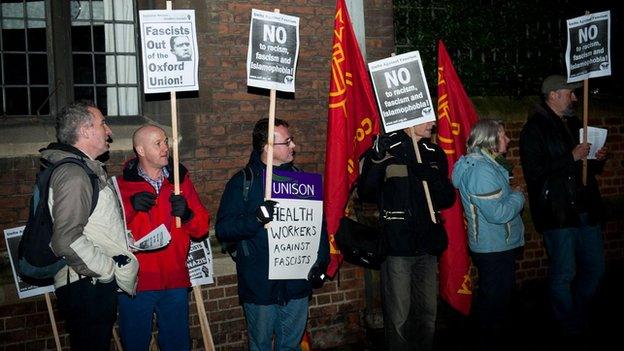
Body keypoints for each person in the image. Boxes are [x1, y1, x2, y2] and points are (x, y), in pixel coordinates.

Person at [215, 118, 329, 351]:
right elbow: (223, 229)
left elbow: (318, 226)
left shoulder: (301, 181)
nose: (293, 146)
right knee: (261, 346)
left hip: (296, 283)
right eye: (287, 141)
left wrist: (320, 262)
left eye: (291, 140)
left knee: (291, 345)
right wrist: (255, 219)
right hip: (260, 285)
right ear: (267, 147)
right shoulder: (243, 182)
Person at [519, 75, 608, 343]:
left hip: (584, 208)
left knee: (595, 267)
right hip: (557, 213)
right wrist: (571, 156)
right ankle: (568, 324)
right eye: (570, 93)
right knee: (564, 273)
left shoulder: (572, 123)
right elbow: (535, 174)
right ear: (554, 95)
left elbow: (582, 167)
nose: (574, 98)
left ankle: (576, 313)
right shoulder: (534, 129)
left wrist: (595, 159)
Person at [45, 101, 138, 350]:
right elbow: (65, 239)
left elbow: (93, 226)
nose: (109, 131)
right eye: (102, 123)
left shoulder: (84, 169)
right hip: (86, 284)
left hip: (90, 282)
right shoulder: (74, 174)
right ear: (85, 131)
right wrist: (107, 270)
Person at [357, 121, 456, 351]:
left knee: (427, 313)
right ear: (409, 120)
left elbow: (447, 198)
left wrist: (433, 178)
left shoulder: (434, 152)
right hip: (398, 247)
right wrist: (376, 158)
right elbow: (366, 191)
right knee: (398, 316)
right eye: (427, 116)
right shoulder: (388, 149)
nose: (433, 122)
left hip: (427, 246)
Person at [115, 124, 210, 350]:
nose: (165, 147)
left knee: (177, 344)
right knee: (135, 343)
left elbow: (202, 229)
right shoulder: (121, 186)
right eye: (157, 143)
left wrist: (187, 214)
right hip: (137, 282)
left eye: (165, 141)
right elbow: (109, 233)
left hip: (175, 278)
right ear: (140, 150)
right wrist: (128, 208)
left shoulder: (180, 182)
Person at [452, 119, 525, 350]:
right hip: (493, 246)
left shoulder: (488, 164)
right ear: (490, 140)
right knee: (493, 304)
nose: (508, 140)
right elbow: (498, 212)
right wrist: (518, 196)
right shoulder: (482, 171)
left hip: (495, 244)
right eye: (503, 135)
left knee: (494, 301)